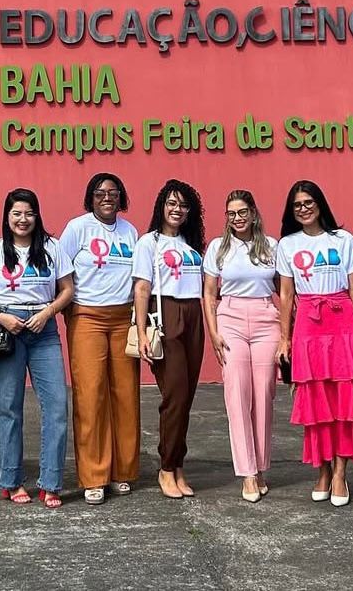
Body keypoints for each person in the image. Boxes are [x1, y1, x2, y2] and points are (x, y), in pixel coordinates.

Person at [0, 188, 76, 509]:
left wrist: (47, 313)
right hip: (7, 330)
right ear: (7, 217)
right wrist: (0, 317)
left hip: (44, 329)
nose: (23, 219)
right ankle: (11, 481)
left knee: (56, 407)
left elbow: (67, 290)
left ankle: (50, 483)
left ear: (37, 215)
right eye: (16, 213)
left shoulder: (52, 248)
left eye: (29, 213)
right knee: (9, 409)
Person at [275, 180, 353, 507]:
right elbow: (286, 294)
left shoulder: (343, 240)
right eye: (297, 205)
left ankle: (340, 473)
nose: (303, 209)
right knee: (315, 402)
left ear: (320, 204)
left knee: (344, 402)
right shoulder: (287, 244)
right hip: (308, 323)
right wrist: (285, 338)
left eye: (308, 202)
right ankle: (322, 470)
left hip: (343, 320)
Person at [59, 172, 141, 505]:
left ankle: (123, 470)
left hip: (123, 318)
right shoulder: (77, 228)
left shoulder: (130, 231)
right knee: (91, 395)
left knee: (125, 394)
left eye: (113, 192)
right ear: (90, 198)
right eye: (99, 193)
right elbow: (61, 271)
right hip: (88, 317)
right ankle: (94, 475)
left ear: (121, 197)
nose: (107, 197)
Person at [202, 190, 280, 503]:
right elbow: (209, 293)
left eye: (243, 212)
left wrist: (289, 331)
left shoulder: (271, 246)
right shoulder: (217, 248)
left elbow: (284, 289)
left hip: (265, 318)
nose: (237, 218)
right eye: (232, 213)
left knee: (263, 394)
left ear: (253, 213)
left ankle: (261, 467)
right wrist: (213, 333)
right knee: (237, 393)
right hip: (230, 318)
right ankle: (247, 473)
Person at [134, 178, 206, 499]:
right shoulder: (149, 242)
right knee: (174, 396)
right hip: (165, 314)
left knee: (186, 397)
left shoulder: (192, 245)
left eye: (184, 205)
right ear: (162, 206)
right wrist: (141, 332)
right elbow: (141, 288)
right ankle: (166, 467)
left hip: (193, 315)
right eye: (172, 203)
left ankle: (178, 465)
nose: (177, 210)